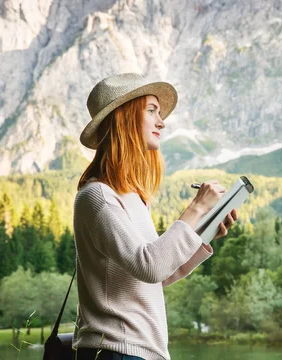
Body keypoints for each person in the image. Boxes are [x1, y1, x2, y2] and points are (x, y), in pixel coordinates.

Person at [72, 73, 237, 360]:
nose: (161, 122)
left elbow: (153, 275)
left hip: (140, 352)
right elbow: (149, 266)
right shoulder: (97, 197)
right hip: (116, 351)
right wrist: (196, 208)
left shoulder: (132, 197)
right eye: (151, 110)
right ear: (124, 118)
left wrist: (200, 236)